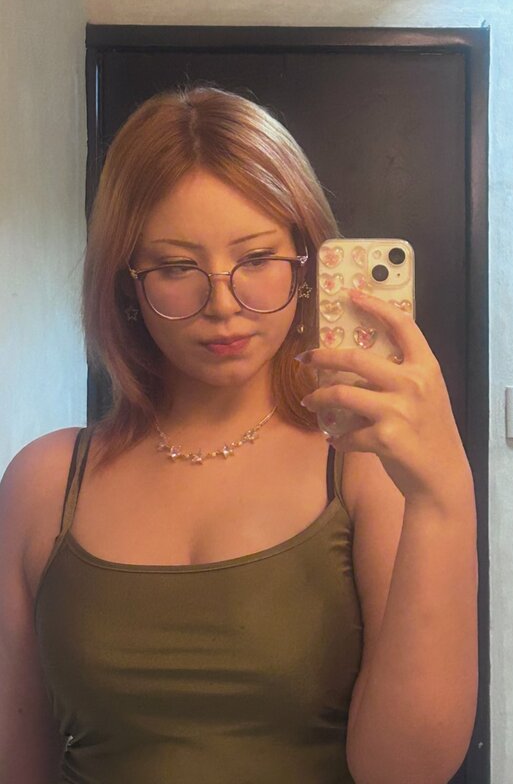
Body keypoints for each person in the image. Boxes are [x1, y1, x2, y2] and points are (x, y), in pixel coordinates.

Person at [0, 83, 479, 784]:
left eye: (256, 260)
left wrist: (443, 497)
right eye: (176, 267)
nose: (223, 304)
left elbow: (405, 771)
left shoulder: (363, 465)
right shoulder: (42, 483)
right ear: (126, 284)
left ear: (306, 261)